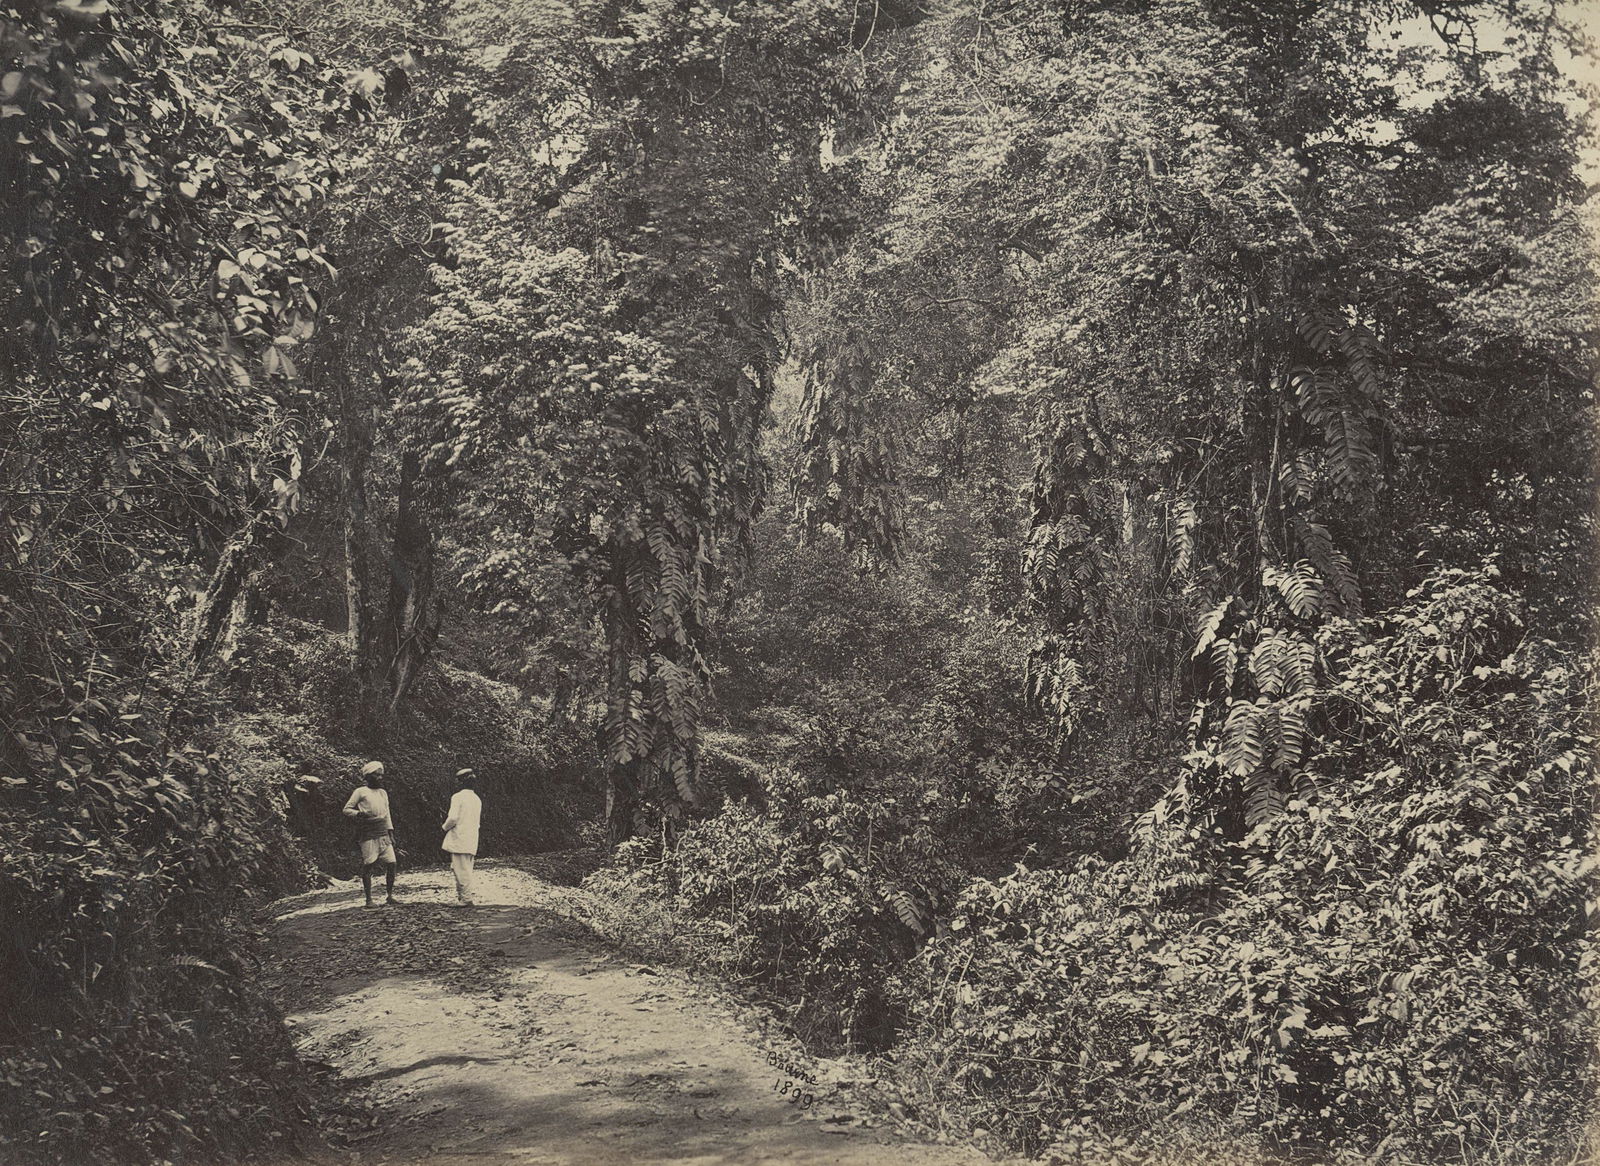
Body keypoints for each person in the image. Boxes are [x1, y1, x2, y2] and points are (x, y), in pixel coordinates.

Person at [342, 760, 398, 907]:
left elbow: (387, 814)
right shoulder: (360, 791)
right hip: (367, 831)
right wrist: (359, 814)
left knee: (392, 863)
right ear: (368, 776)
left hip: (383, 831)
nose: (380, 778)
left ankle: (390, 896)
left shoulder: (383, 793)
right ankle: (369, 900)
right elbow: (346, 809)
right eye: (376, 775)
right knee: (369, 864)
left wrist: (390, 832)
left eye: (381, 775)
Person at [441, 768, 482, 907]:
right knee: (464, 868)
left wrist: (444, 827)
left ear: (460, 782)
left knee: (460, 868)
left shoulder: (458, 797)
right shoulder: (476, 799)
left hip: (460, 837)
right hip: (471, 837)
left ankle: (466, 898)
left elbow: (452, 818)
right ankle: (463, 897)